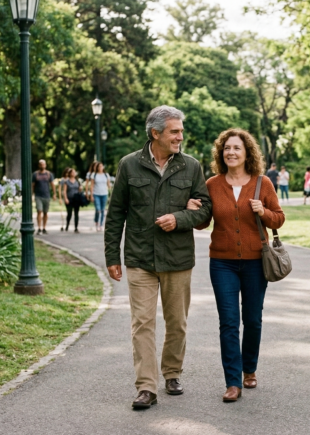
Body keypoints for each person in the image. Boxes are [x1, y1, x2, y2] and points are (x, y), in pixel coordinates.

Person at [104, 105, 212, 411]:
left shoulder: (191, 166)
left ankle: (172, 372)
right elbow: (115, 214)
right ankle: (146, 387)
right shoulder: (129, 165)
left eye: (180, 131)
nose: (180, 136)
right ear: (156, 134)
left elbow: (206, 208)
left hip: (177, 259)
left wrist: (179, 218)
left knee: (177, 322)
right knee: (142, 324)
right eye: (174, 131)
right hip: (140, 258)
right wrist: (112, 255)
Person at [190, 128, 285, 402]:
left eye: (237, 148)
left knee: (253, 320)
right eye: (227, 148)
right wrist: (193, 208)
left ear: (247, 153)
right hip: (222, 263)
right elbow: (202, 223)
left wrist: (262, 211)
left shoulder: (262, 183)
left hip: (256, 262)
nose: (231, 152)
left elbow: (278, 219)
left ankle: (249, 368)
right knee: (229, 322)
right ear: (221, 153)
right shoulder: (212, 184)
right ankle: (233, 382)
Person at [31, 159, 55, 235]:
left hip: (47, 195)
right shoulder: (35, 174)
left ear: (45, 165)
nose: (42, 165)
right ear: (39, 165)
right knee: (39, 211)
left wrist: (54, 194)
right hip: (38, 196)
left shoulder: (49, 174)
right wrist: (32, 194)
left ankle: (44, 227)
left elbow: (52, 184)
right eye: (41, 164)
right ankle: (39, 228)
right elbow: (33, 185)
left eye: (43, 164)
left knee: (45, 212)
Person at [90, 162, 111, 232]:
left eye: (101, 166)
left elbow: (109, 185)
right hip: (96, 194)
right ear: (97, 168)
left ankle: (101, 224)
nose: (100, 168)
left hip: (104, 194)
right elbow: (92, 185)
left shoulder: (106, 175)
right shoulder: (94, 175)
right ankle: (96, 222)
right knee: (98, 210)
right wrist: (91, 195)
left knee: (102, 210)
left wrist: (110, 193)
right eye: (99, 166)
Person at [61, 168, 83, 233]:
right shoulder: (66, 182)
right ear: (69, 173)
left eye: (74, 172)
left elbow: (79, 190)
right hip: (69, 198)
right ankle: (67, 225)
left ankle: (76, 227)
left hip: (76, 199)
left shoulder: (77, 181)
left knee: (76, 213)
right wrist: (65, 198)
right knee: (69, 213)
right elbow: (64, 191)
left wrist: (80, 189)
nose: (73, 173)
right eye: (72, 172)